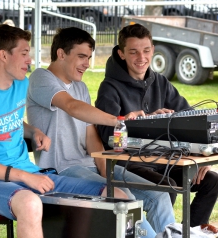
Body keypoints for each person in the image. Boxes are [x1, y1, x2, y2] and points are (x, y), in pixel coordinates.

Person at [0, 24, 128, 238]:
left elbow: (0, 121)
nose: (29, 60)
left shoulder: (20, 85)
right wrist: (24, 176)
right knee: (31, 204)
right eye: (24, 53)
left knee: (118, 196)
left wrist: (32, 131)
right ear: (3, 55)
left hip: (31, 176)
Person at [26, 26, 176, 237]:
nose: (87, 64)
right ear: (61, 54)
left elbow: (91, 136)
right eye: (81, 57)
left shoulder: (81, 87)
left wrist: (107, 171)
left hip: (89, 166)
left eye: (88, 57)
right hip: (61, 170)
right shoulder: (41, 78)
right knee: (125, 198)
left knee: (158, 194)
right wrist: (119, 120)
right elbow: (72, 107)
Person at [95, 23, 218, 227]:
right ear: (121, 54)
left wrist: (204, 157)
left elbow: (190, 117)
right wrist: (148, 121)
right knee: (167, 186)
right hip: (128, 164)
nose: (141, 58)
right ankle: (165, 232)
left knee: (211, 181)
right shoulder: (109, 88)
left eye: (146, 50)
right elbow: (108, 135)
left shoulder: (160, 82)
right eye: (133, 52)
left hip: (163, 162)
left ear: (153, 49)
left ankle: (189, 232)